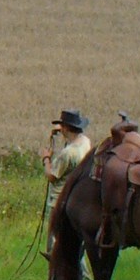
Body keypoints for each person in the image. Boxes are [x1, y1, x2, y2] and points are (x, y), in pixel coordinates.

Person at [40, 109, 92, 255]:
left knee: (54, 244)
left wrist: (46, 159)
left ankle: (56, 271)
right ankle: (83, 275)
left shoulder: (67, 154)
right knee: (74, 242)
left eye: (62, 126)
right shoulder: (85, 142)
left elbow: (51, 176)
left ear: (67, 128)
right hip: (75, 198)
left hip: (59, 199)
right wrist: (62, 131)